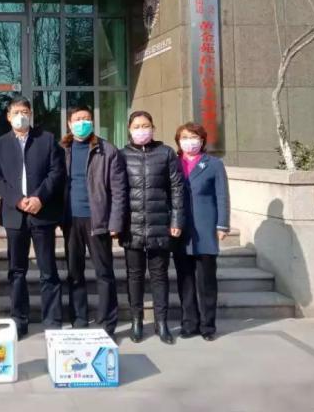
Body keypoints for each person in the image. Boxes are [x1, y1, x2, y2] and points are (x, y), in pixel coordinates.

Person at [0, 96, 66, 339]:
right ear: (8, 116)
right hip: (15, 215)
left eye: (24, 111)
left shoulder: (47, 139)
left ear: (31, 114)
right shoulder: (0, 144)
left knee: (48, 269)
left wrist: (39, 198)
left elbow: (57, 171)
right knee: (16, 270)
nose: (20, 116)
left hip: (42, 213)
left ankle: (52, 320)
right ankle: (19, 319)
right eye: (16, 112)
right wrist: (17, 200)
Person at [60, 105, 127, 337]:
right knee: (74, 272)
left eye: (86, 118)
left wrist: (115, 222)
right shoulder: (62, 149)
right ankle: (79, 319)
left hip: (98, 220)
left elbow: (119, 190)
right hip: (70, 220)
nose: (82, 123)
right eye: (78, 119)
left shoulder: (107, 150)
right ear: (69, 124)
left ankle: (108, 322)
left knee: (104, 272)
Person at [120, 110, 184, 345]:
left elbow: (177, 188)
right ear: (129, 129)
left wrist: (176, 220)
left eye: (145, 125)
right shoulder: (122, 155)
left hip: (160, 225)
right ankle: (137, 321)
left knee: (159, 276)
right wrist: (117, 223)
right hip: (132, 226)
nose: (141, 130)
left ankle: (161, 323)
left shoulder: (166, 153)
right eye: (137, 126)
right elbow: (117, 191)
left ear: (153, 128)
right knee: (134, 276)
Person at [172, 122, 230, 342]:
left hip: (205, 229)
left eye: (194, 137)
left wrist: (222, 224)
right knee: (185, 280)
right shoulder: (173, 163)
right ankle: (189, 323)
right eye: (185, 137)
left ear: (202, 140)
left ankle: (208, 326)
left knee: (206, 281)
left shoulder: (213, 164)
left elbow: (222, 196)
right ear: (178, 141)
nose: (189, 141)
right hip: (180, 229)